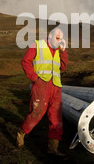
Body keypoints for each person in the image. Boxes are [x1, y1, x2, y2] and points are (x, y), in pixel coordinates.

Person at [17, 28, 68, 156]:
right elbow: (25, 62)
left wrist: (63, 52)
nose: (59, 41)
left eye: (61, 38)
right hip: (41, 86)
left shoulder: (59, 50)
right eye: (57, 38)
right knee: (36, 113)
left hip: (56, 87)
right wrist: (35, 79)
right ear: (50, 36)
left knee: (56, 118)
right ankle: (21, 133)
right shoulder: (37, 45)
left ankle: (53, 149)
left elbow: (63, 67)